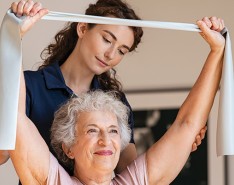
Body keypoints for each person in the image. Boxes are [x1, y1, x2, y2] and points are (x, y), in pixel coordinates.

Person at [8, 13, 225, 183]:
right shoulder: (54, 180)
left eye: (113, 131)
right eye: (92, 130)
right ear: (68, 148)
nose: (106, 140)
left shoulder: (134, 180)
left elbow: (186, 125)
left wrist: (217, 51)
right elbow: (15, 119)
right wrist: (13, 33)